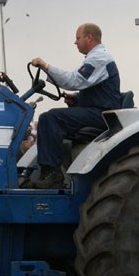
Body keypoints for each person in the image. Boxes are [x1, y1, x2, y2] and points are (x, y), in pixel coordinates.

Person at [29, 22, 122, 189]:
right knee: (52, 118)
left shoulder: (99, 58)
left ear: (89, 38)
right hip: (96, 111)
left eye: (78, 38)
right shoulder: (95, 59)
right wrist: (77, 99)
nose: (75, 42)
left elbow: (73, 81)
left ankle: (52, 174)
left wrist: (46, 66)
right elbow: (96, 90)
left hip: (102, 115)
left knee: (50, 118)